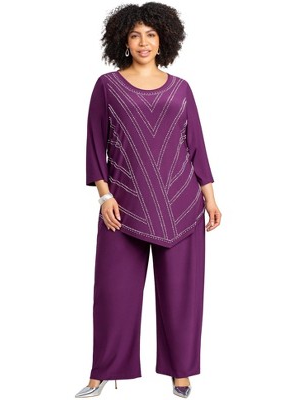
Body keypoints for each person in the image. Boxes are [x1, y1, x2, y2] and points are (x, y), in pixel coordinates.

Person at [75, 2, 222, 398]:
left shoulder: (181, 88)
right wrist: (104, 196)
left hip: (182, 205)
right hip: (123, 207)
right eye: (136, 35)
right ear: (124, 40)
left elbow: (196, 145)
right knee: (113, 294)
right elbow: (95, 144)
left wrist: (209, 197)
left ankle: (181, 371)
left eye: (151, 35)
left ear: (163, 40)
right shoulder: (107, 86)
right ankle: (103, 371)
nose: (143, 42)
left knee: (182, 297)